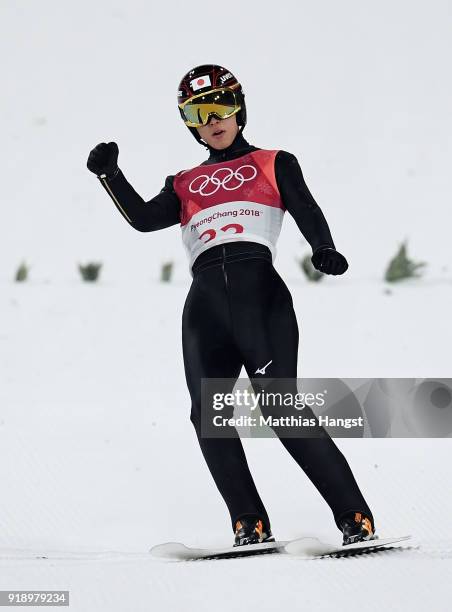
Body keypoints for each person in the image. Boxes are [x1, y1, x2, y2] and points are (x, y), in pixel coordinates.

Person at [87, 64, 375, 547]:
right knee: (208, 414)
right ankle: (249, 524)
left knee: (280, 407)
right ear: (190, 123)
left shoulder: (274, 161)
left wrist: (323, 246)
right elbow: (140, 220)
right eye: (199, 112)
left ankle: (355, 518)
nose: (213, 119)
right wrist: (110, 176)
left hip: (259, 294)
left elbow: (304, 206)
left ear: (239, 108)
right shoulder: (182, 183)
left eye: (221, 106)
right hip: (204, 307)